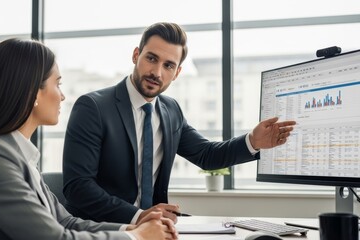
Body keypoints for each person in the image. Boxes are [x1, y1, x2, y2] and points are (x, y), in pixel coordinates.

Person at [0, 38, 177, 240]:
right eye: (57, 84)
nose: (62, 96)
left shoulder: (18, 155)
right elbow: (54, 238)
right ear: (32, 92)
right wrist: (136, 237)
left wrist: (132, 228)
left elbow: (67, 222)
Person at [62, 22, 296, 225]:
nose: (157, 72)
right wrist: (139, 216)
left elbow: (206, 155)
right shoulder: (93, 107)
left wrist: (253, 142)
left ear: (177, 72)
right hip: (100, 229)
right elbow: (78, 188)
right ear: (136, 55)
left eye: (168, 65)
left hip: (151, 229)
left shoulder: (170, 110)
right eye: (151, 58)